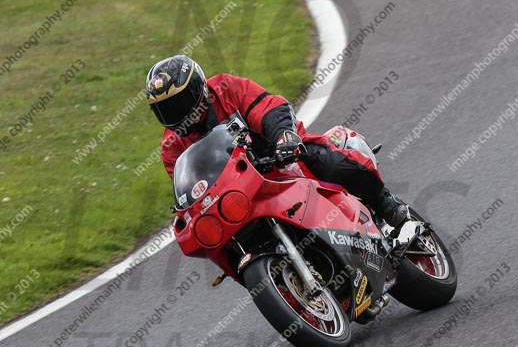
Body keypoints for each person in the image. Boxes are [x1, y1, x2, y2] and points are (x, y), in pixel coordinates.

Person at [145, 54, 408, 228]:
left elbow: (268, 108)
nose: (175, 114)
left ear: (198, 89)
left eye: (178, 103)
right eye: (165, 109)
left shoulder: (226, 88)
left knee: (323, 160)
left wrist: (284, 135)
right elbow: (190, 186)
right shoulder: (171, 146)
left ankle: (382, 201)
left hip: (278, 155)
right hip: (240, 192)